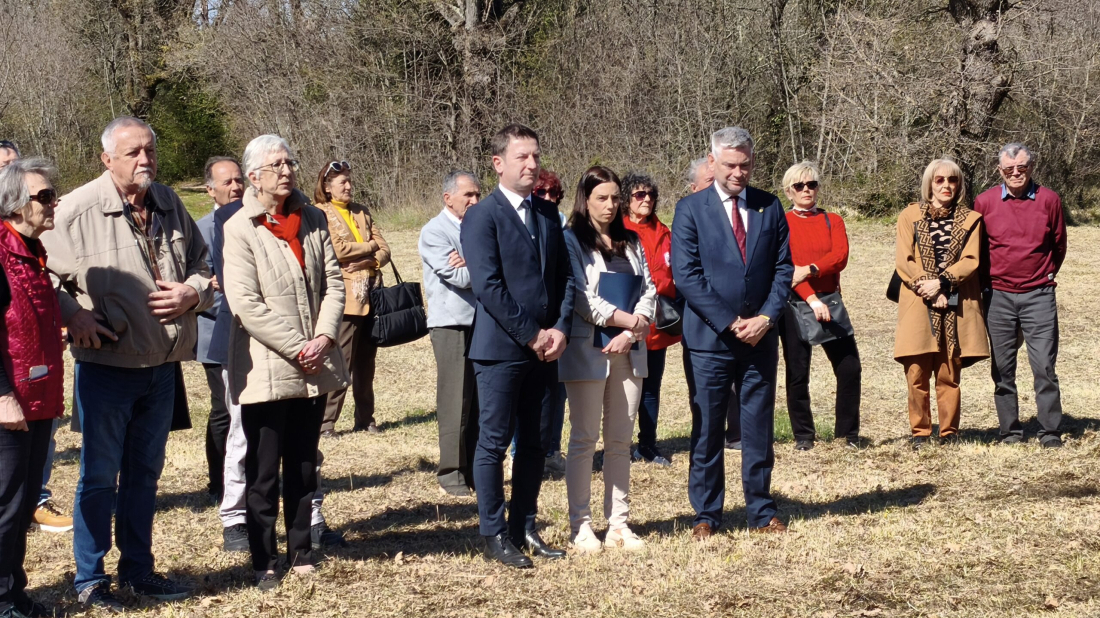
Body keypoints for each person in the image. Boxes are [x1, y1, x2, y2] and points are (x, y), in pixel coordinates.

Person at [40, 116, 213, 610]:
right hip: (107, 368)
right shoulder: (72, 210)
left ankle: (139, 569)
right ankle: (89, 579)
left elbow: (204, 267)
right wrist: (73, 314)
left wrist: (191, 292)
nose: (145, 161)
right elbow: (36, 274)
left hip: (162, 367)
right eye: (133, 152)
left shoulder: (168, 201)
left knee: (145, 474)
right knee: (98, 476)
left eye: (150, 151)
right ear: (106, 158)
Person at [220, 135, 349, 589]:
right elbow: (246, 304)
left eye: (290, 161)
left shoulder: (312, 219)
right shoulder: (239, 228)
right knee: (263, 469)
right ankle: (263, 560)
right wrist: (299, 346)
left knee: (303, 464)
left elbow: (335, 282)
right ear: (254, 176)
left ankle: (301, 551)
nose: (287, 170)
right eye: (276, 165)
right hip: (267, 368)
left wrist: (325, 336)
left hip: (314, 360)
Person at [460, 123, 575, 569]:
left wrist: (560, 330)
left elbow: (566, 279)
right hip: (502, 350)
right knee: (493, 442)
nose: (531, 165)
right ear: (499, 163)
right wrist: (531, 333)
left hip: (548, 350)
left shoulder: (547, 215)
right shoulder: (482, 215)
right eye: (521, 157)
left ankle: (523, 524)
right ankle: (493, 533)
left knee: (535, 442)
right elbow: (488, 286)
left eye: (535, 156)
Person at [671, 127, 793, 539]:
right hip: (710, 341)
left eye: (744, 165)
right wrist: (729, 322)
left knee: (758, 426)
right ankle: (707, 513)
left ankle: (761, 509)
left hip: (760, 338)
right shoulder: (690, 209)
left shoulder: (769, 207)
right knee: (708, 427)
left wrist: (766, 318)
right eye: (729, 165)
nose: (738, 173)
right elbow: (687, 277)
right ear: (712, 162)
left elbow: (782, 269)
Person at [560, 166, 656, 554]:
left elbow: (649, 289)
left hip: (630, 349)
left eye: (616, 197)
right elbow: (582, 297)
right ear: (585, 199)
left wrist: (635, 328)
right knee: (584, 439)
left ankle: (618, 524)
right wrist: (624, 321)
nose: (611, 205)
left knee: (620, 440)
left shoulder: (632, 241)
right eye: (602, 197)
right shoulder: (571, 240)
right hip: (588, 349)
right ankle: (580, 525)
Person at [0, 158, 66, 618]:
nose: (52, 202)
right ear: (14, 205)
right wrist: (1, 396)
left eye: (51, 193)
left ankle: (13, 592)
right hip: (9, 403)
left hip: (37, 398)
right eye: (43, 196)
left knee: (22, 505)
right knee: (5, 504)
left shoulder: (33, 252)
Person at [974, 143, 1066, 448]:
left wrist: (1044, 276)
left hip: (1038, 294)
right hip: (998, 296)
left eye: (1022, 167)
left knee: (1044, 366)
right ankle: (1010, 432)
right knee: (1002, 368)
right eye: (1010, 169)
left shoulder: (1049, 200)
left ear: (1032, 167)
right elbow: (977, 249)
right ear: (1000, 171)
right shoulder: (984, 202)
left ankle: (1050, 432)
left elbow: (1058, 245)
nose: (1016, 173)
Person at [894, 158, 988, 450]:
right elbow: (904, 261)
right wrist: (931, 288)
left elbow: (971, 260)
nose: (946, 185)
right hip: (917, 300)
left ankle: (949, 433)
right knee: (916, 371)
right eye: (940, 180)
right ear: (930, 184)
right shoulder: (909, 216)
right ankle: (920, 432)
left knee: (949, 371)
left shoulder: (971, 219)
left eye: (952, 180)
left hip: (955, 303)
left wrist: (944, 282)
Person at [778, 161, 862, 450]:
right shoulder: (782, 223)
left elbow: (840, 256)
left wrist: (811, 269)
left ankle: (847, 435)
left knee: (850, 367)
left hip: (831, 301)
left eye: (812, 184)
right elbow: (787, 270)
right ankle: (803, 436)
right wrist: (810, 298)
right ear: (789, 191)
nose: (806, 191)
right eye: (799, 186)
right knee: (798, 372)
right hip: (795, 304)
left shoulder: (832, 220)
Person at [315, 160, 390, 436]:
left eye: (349, 181)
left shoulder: (362, 211)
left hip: (371, 296)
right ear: (327, 186)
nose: (348, 186)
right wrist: (370, 248)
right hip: (344, 300)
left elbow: (385, 250)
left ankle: (365, 418)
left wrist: (370, 259)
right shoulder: (321, 213)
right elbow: (338, 249)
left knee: (366, 366)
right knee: (340, 363)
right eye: (341, 182)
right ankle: (326, 423)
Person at [420, 170, 481, 497]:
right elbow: (459, 277)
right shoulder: (434, 231)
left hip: (482, 323)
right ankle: (451, 473)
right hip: (451, 326)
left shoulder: (479, 227)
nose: (474, 201)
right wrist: (483, 266)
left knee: (478, 404)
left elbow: (488, 266)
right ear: (448, 198)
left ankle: (474, 469)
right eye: (467, 195)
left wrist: (473, 263)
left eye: (477, 195)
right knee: (455, 401)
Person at [621, 171, 680, 466]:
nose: (646, 200)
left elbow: (672, 275)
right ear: (626, 200)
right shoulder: (616, 230)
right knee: (620, 387)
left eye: (650, 195)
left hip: (657, 324)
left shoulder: (665, 232)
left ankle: (647, 444)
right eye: (639, 195)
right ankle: (617, 447)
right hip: (625, 321)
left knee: (651, 386)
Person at [195, 156, 244, 506]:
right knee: (223, 409)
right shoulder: (202, 229)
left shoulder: (254, 221)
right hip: (215, 332)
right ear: (209, 189)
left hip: (252, 330)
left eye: (239, 180)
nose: (236, 187)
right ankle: (219, 482)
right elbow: (200, 286)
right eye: (226, 182)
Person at [685, 156, 742, 451]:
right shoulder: (689, 216)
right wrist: (726, 318)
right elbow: (687, 275)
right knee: (705, 401)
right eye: (708, 182)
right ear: (695, 189)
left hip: (746, 322)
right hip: (704, 326)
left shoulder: (743, 213)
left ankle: (736, 433)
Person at [528, 167, 568, 475]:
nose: (548, 198)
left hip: (559, 323)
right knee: (528, 396)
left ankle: (552, 450)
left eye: (553, 194)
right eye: (542, 192)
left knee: (557, 393)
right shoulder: (525, 221)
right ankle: (522, 451)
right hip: (528, 324)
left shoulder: (563, 225)